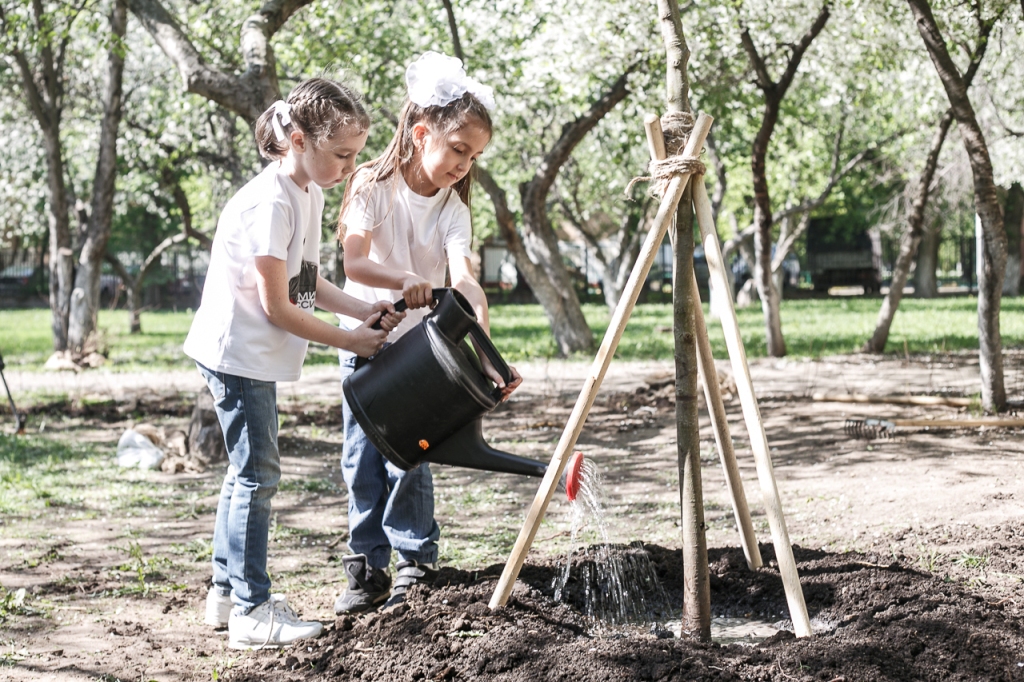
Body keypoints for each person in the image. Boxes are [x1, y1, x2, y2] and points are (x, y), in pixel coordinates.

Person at [183, 77, 404, 650]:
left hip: (253, 351)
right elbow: (277, 306)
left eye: (357, 155)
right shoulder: (271, 201)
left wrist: (363, 308)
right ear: (299, 139)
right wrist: (350, 341)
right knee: (258, 476)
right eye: (342, 155)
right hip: (238, 352)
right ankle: (253, 611)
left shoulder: (309, 190)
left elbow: (305, 281)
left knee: (244, 473)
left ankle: (226, 593)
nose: (351, 167)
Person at [333, 51, 522, 615]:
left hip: (421, 355)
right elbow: (354, 264)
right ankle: (366, 568)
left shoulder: (453, 210)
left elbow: (466, 283)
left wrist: (487, 354)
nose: (465, 164)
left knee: (411, 457)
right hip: (367, 345)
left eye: (475, 156)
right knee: (362, 461)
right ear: (421, 133)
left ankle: (415, 563)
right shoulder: (371, 184)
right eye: (458, 149)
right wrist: (408, 280)